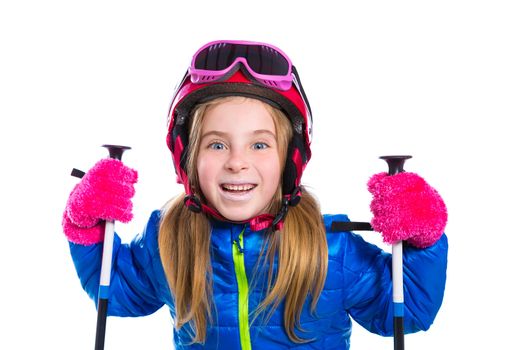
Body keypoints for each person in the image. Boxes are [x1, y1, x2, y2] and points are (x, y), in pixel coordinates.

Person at [63, 40, 448, 349]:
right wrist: (87, 224)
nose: (237, 162)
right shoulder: (169, 238)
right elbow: (113, 291)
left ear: (289, 159)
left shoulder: (331, 249)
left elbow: (408, 310)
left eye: (259, 146)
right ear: (188, 158)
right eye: (216, 145)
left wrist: (421, 240)